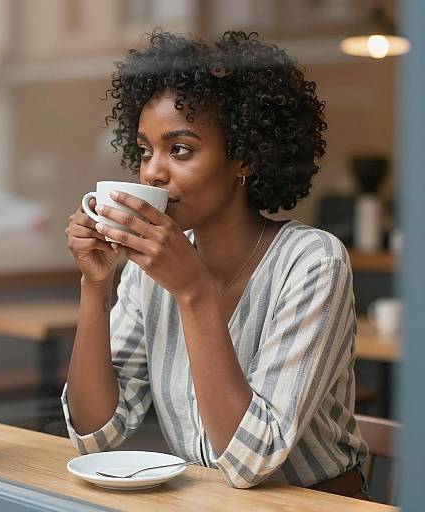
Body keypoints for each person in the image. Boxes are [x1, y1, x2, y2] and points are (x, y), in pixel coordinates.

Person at [62, 29, 369, 498]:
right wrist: (95, 285)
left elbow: (250, 460)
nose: (152, 172)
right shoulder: (150, 269)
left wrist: (193, 290)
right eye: (146, 151)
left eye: (179, 149)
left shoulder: (313, 262)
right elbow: (97, 434)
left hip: (318, 504)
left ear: (243, 158)